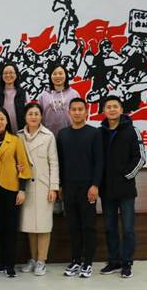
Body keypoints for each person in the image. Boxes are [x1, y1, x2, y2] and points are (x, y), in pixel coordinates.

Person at [99, 95, 146, 279]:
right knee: (110, 227)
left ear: (121, 109)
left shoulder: (132, 131)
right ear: (104, 111)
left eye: (115, 106)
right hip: (106, 189)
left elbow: (140, 158)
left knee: (127, 228)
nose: (112, 109)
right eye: (108, 107)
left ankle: (127, 262)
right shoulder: (100, 132)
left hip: (126, 189)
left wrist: (126, 176)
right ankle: (114, 261)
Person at [56, 98, 103, 278]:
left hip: (87, 187)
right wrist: (60, 185)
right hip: (69, 187)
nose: (77, 112)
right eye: (74, 109)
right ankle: (75, 260)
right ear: (69, 112)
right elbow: (60, 162)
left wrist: (95, 185)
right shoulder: (63, 134)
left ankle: (88, 262)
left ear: (86, 112)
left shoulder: (94, 133)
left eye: (80, 109)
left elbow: (99, 161)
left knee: (88, 226)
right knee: (73, 226)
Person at [0, 107, 32, 278]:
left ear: (7, 121)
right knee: (0, 226)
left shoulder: (15, 140)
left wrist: (22, 189)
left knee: (11, 227)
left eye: (2, 119)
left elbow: (23, 165)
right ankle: (3, 262)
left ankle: (11, 264)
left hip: (12, 188)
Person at [18, 103, 59, 276]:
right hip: (26, 187)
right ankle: (33, 259)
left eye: (36, 114)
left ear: (41, 116)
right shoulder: (18, 136)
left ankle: (42, 260)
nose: (33, 117)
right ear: (25, 117)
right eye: (30, 114)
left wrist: (53, 187)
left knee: (43, 225)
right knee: (29, 224)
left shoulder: (48, 136)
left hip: (43, 186)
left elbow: (54, 163)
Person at [38, 64, 81, 135]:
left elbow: (81, 114)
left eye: (60, 73)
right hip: (48, 136)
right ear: (50, 76)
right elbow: (38, 116)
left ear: (66, 75)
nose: (58, 76)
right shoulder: (43, 95)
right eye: (54, 74)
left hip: (71, 134)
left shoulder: (74, 94)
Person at [0, 62, 28, 133]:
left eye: (11, 72)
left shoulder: (23, 93)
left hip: (20, 132)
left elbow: (28, 113)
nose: (8, 75)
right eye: (5, 73)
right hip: (1, 132)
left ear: (16, 75)